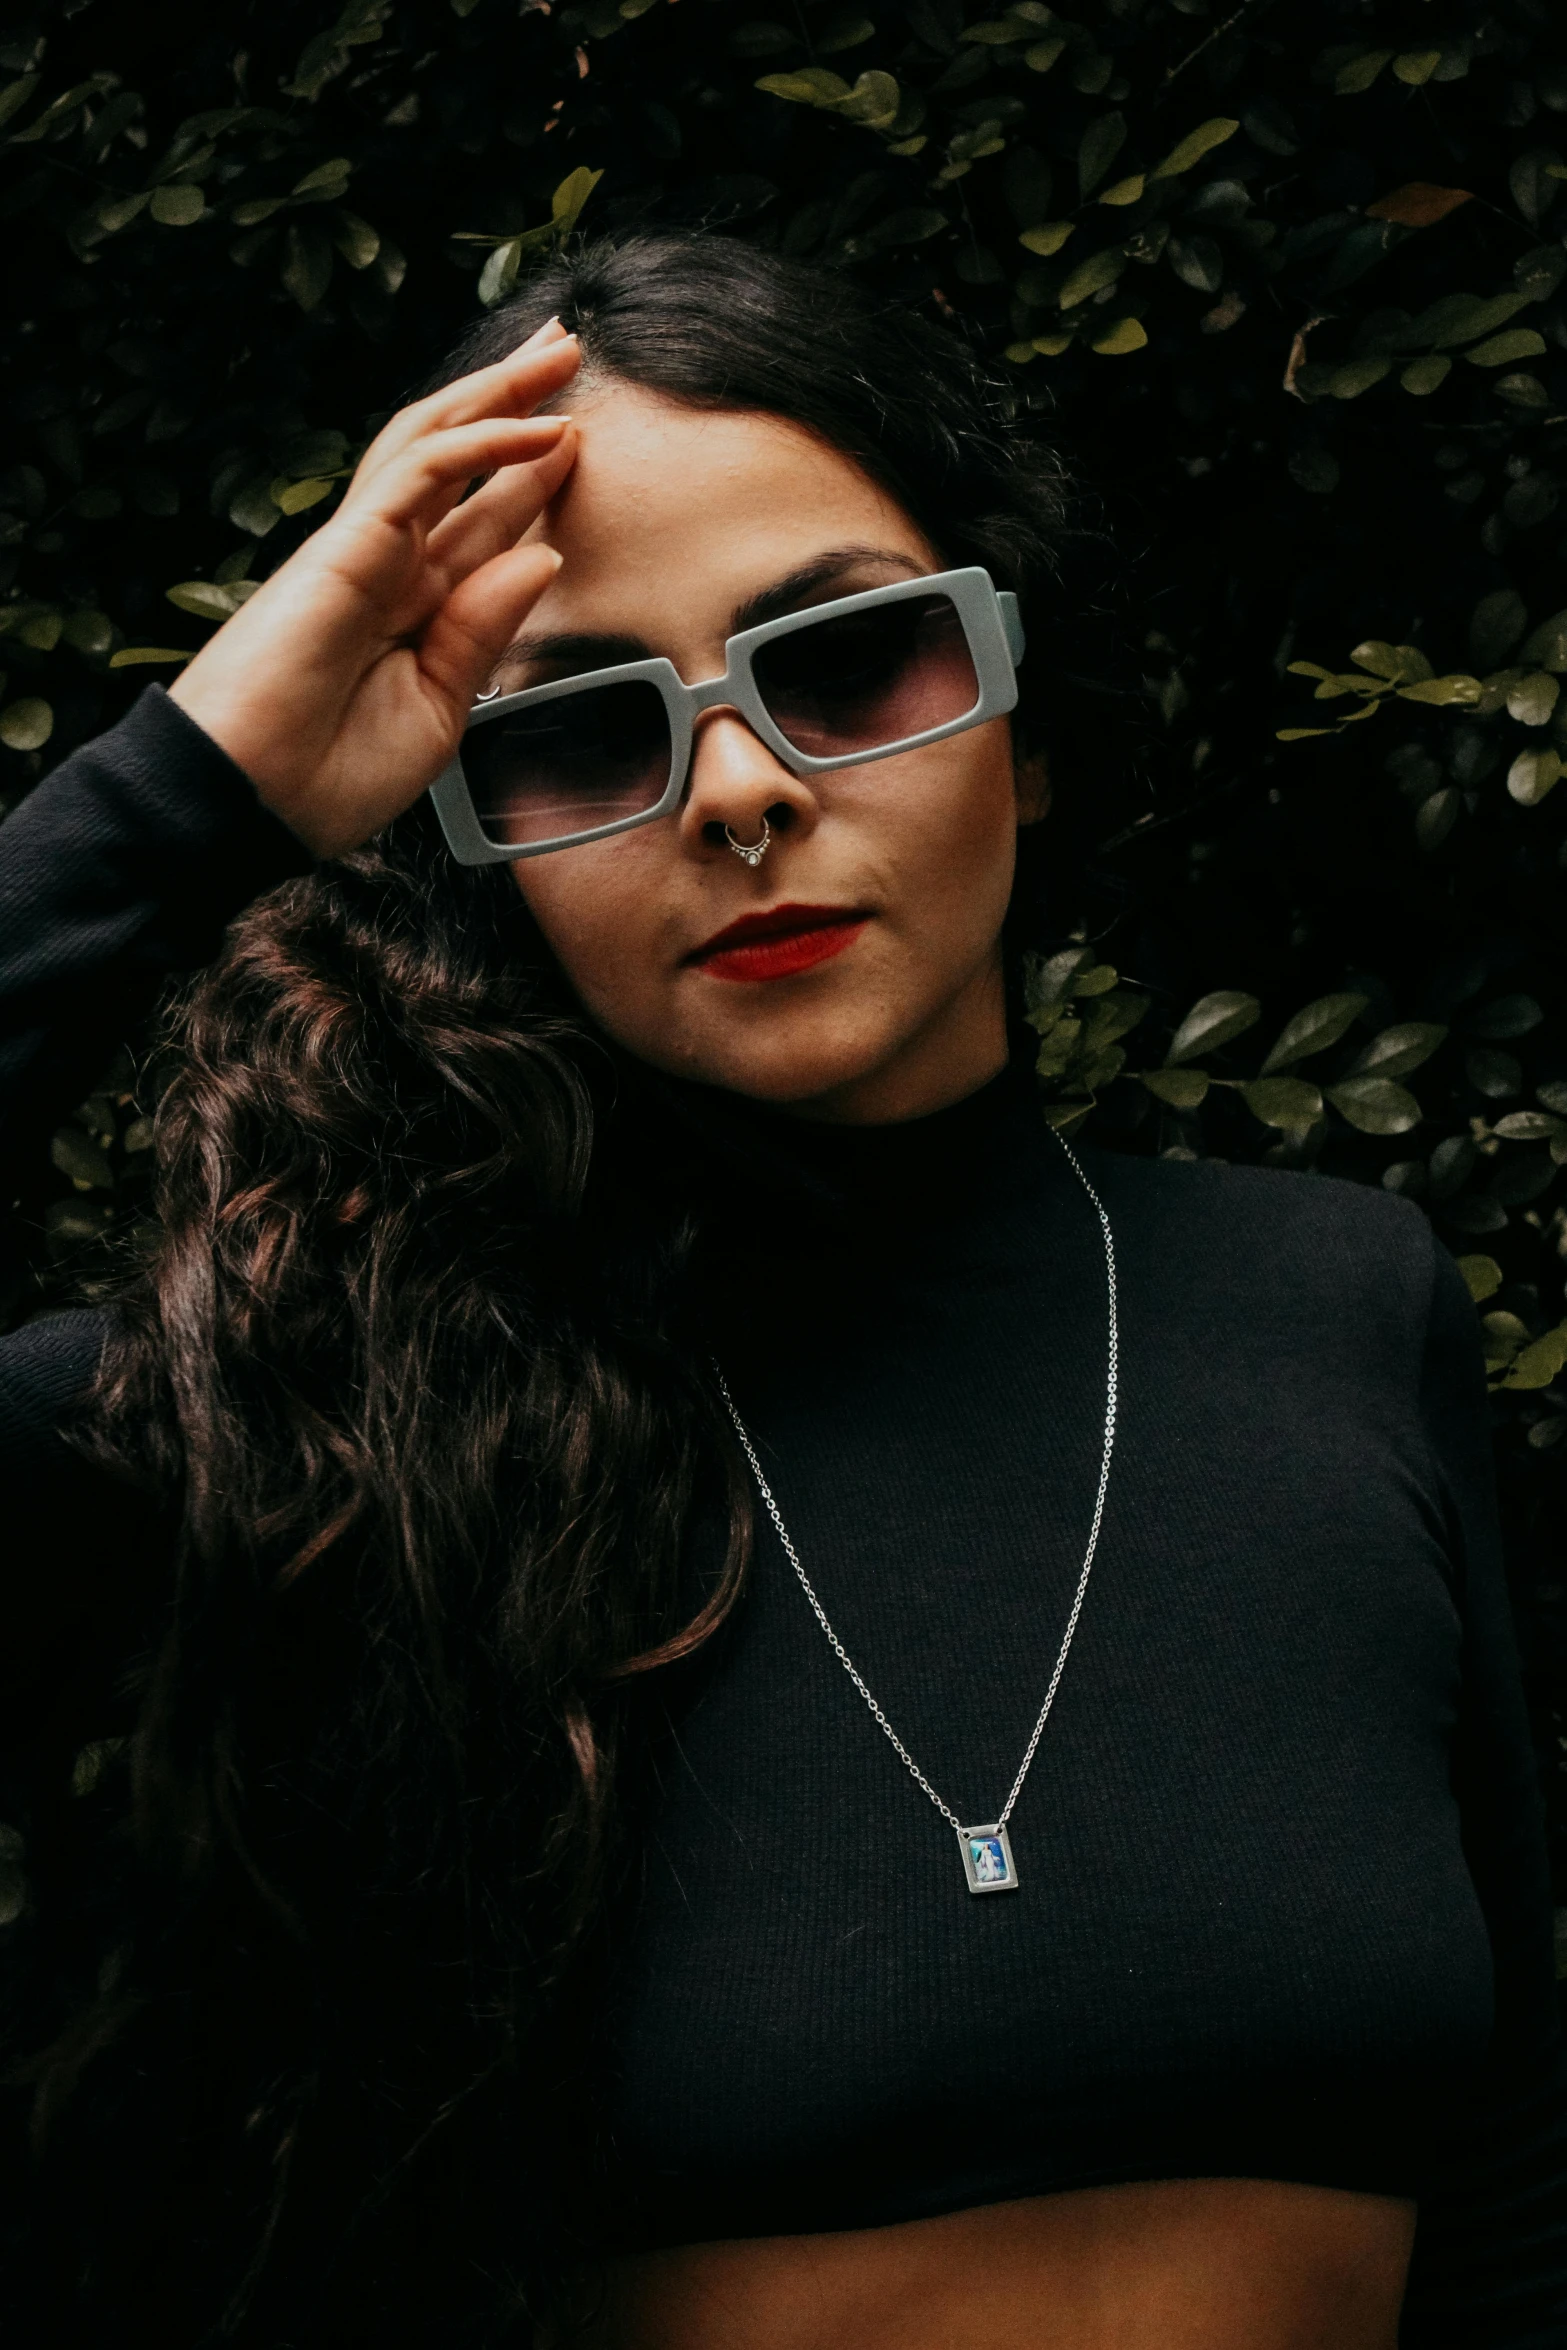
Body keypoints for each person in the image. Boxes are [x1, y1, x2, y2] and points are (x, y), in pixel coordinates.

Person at [0, 232, 1562, 2350]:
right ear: (486, 846)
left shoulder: (1336, 1307)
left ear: (1021, 713)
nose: (741, 790)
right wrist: (196, 785)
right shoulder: (309, 1424)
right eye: (580, 737)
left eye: (848, 667)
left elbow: (1505, 2190)